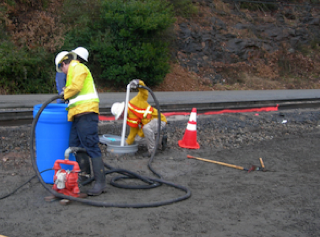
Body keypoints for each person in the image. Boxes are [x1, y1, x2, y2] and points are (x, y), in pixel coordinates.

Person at [55, 50, 105, 196]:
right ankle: (85, 176)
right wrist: (66, 92)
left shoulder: (77, 68)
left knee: (91, 145)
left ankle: (100, 183)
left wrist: (64, 93)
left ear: (64, 63)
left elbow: (76, 87)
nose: (62, 72)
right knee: (74, 145)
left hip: (87, 113)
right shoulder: (72, 73)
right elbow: (74, 90)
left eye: (61, 69)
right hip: (78, 115)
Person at [111, 79, 167, 157]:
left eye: (120, 115)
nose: (121, 118)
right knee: (137, 140)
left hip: (159, 120)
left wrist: (138, 82)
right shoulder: (129, 117)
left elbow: (144, 92)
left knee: (146, 129)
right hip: (149, 125)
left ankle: (152, 151)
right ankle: (159, 141)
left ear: (123, 110)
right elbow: (133, 131)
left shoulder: (135, 102)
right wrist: (127, 143)